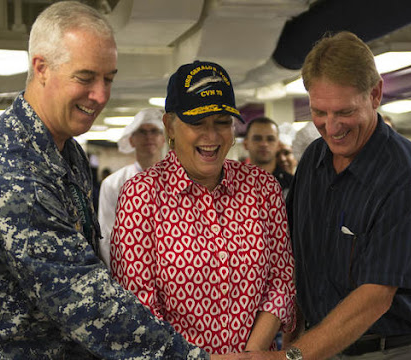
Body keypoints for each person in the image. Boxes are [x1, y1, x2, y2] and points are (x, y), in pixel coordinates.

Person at [0, 2, 210, 359]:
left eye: (109, 78)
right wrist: (195, 357)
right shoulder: (10, 165)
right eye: (86, 78)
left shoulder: (63, 148)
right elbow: (82, 298)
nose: (101, 95)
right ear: (41, 67)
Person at [234, 31, 411, 360]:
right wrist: (295, 336)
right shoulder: (314, 159)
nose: (331, 127)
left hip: (392, 351)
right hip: (320, 346)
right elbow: (299, 261)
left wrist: (290, 356)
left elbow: (376, 295)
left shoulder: (409, 176)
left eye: (344, 112)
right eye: (319, 112)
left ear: (376, 93)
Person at [111, 60, 296, 355]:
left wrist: (248, 355)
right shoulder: (142, 195)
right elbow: (140, 307)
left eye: (222, 122)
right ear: (170, 125)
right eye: (197, 122)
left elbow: (281, 281)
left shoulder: (262, 188)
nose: (211, 136)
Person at [98, 108, 165, 266]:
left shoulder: (181, 180)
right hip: (130, 271)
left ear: (163, 139)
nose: (149, 137)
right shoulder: (114, 184)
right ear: (131, 140)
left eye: (154, 131)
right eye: (142, 132)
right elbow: (107, 235)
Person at [244, 116, 293, 194]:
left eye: (270, 139)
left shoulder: (292, 184)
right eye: (257, 138)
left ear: (278, 145)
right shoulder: (232, 182)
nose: (264, 144)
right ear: (245, 144)